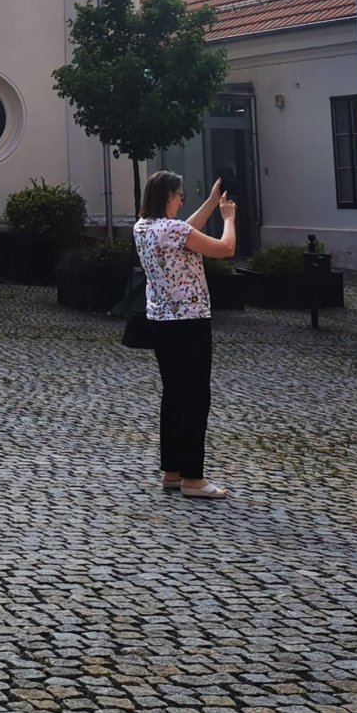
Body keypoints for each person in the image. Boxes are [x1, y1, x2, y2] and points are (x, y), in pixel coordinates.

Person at [133, 170, 236, 500]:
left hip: (160, 321)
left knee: (174, 395)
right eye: (179, 195)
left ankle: (172, 472)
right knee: (196, 397)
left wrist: (209, 201)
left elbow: (185, 230)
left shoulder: (143, 227)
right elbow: (226, 248)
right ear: (167, 197)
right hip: (190, 321)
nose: (181, 200)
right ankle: (193, 477)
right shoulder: (172, 230)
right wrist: (228, 218)